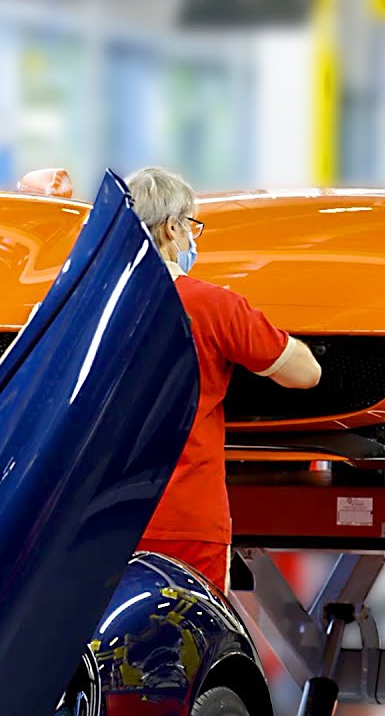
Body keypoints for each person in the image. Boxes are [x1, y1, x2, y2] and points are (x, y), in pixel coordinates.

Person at [127, 167, 322, 592]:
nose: (192, 239)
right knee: (194, 646)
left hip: (104, 519)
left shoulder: (86, 309)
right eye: (192, 226)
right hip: (186, 518)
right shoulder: (215, 306)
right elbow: (306, 373)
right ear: (172, 228)